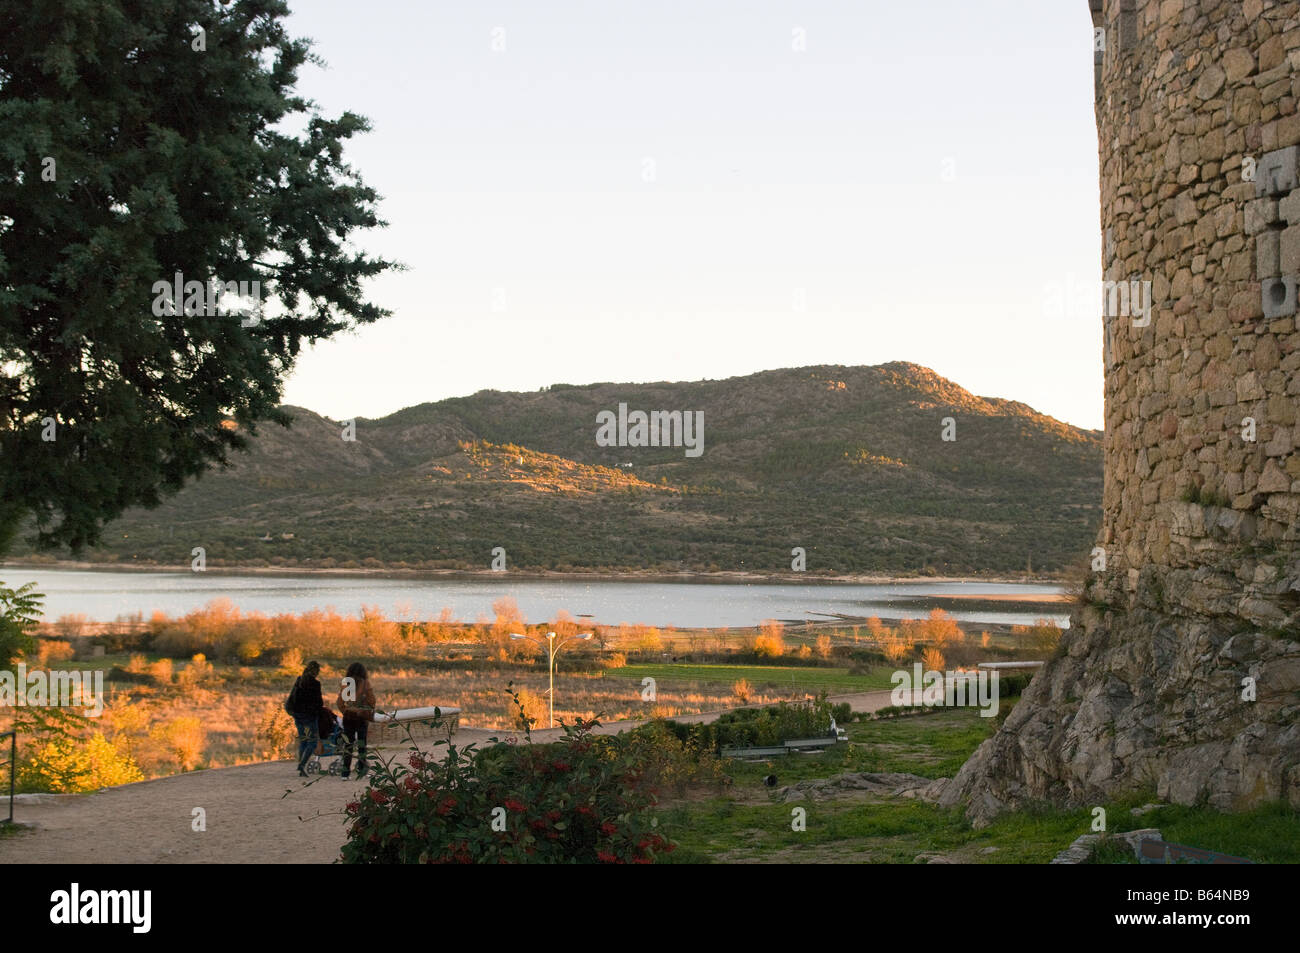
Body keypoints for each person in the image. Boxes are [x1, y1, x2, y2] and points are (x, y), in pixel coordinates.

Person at [337, 662, 376, 779]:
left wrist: (347, 711)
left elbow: (339, 703)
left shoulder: (346, 682)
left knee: (348, 745)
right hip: (361, 717)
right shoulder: (365, 683)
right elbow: (372, 701)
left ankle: (345, 773)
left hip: (348, 718)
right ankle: (362, 770)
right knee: (361, 745)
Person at [291, 660, 324, 777]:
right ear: (316, 671)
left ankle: (301, 765)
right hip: (310, 717)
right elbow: (319, 703)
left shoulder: (299, 681)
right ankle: (302, 764)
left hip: (298, 716)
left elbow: (293, 698)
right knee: (312, 742)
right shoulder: (315, 684)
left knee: (303, 740)